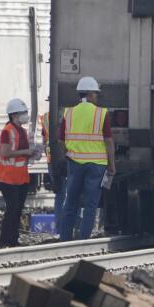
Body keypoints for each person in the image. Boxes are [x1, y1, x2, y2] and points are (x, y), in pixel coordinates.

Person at [57, 76, 114, 241]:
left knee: (70, 202)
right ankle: (83, 240)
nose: (96, 97)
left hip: (74, 164)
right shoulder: (101, 113)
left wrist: (69, 153)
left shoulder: (69, 112)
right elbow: (108, 141)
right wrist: (112, 164)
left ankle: (65, 239)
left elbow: (60, 140)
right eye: (95, 94)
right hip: (97, 165)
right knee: (90, 205)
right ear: (89, 94)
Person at [0, 98, 40, 247]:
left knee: (17, 209)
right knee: (12, 209)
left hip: (20, 177)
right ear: (14, 115)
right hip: (7, 177)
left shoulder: (23, 131)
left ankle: (13, 240)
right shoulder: (7, 132)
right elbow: (5, 152)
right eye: (23, 113)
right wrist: (26, 151)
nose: (25, 115)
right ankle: (5, 241)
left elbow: (21, 154)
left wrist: (33, 153)